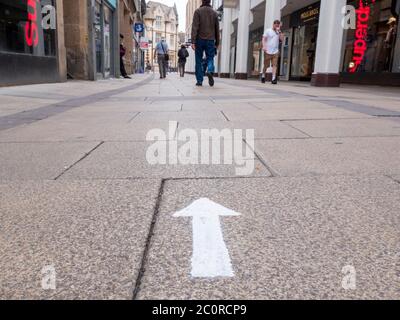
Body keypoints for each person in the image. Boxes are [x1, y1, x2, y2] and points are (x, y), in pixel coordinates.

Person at [191, 0, 220, 87]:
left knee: (198, 60)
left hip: (199, 39)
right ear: (210, 1)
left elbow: (195, 27)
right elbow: (217, 29)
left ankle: (199, 80)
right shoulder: (214, 13)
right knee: (210, 58)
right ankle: (210, 71)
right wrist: (217, 42)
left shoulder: (198, 11)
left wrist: (193, 41)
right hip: (211, 40)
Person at [261, 20, 284, 85]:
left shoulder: (279, 32)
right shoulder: (268, 30)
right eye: (275, 25)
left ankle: (273, 79)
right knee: (266, 65)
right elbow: (264, 39)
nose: (276, 26)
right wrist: (264, 46)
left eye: (278, 25)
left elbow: (282, 39)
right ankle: (263, 75)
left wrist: (279, 32)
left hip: (275, 51)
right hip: (267, 51)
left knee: (275, 65)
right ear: (273, 24)